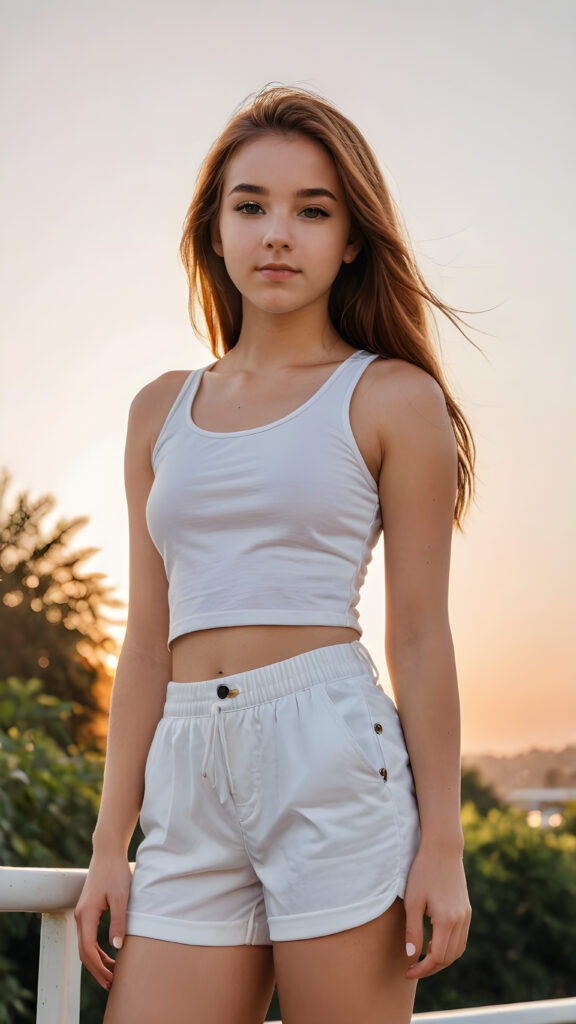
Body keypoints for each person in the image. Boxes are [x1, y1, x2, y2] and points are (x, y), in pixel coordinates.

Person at [75, 84, 474, 1024]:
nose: (278, 234)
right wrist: (108, 843)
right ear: (215, 232)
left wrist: (443, 847)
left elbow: (419, 638)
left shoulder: (391, 398)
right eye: (250, 205)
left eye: (313, 210)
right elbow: (145, 641)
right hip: (186, 769)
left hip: (330, 761)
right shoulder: (157, 409)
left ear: (351, 240)